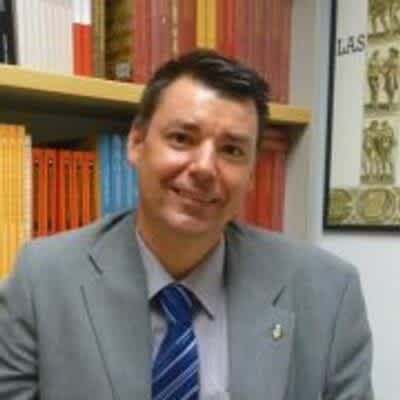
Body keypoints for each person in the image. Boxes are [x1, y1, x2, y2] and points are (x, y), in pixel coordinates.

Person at [0, 50, 373, 400]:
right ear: (136, 143)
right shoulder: (43, 281)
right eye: (181, 139)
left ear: (252, 174)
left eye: (232, 150)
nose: (205, 168)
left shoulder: (329, 294)